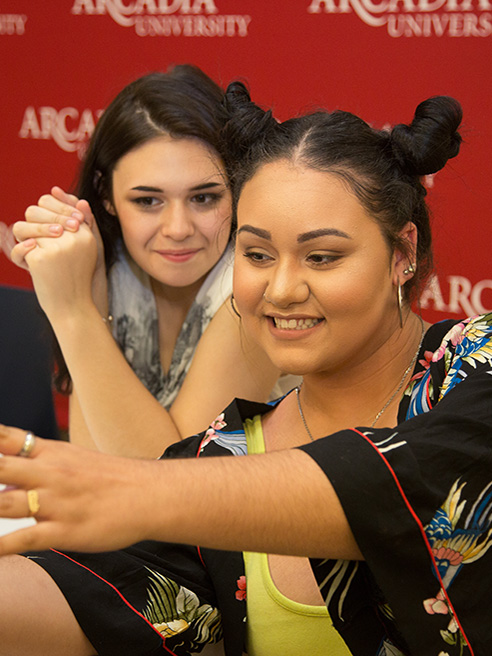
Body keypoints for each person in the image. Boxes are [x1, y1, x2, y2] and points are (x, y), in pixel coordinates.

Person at [1, 87, 491, 656]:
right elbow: (96, 599)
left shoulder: (475, 368)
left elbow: (411, 484)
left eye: (322, 257)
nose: (280, 290)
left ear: (402, 253)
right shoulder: (222, 454)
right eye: (256, 255)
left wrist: (133, 489)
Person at [10, 66, 281, 457]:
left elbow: (173, 475)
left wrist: (74, 310)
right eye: (147, 201)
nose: (177, 228)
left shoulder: (259, 283)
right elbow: (93, 460)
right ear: (105, 194)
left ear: (238, 187)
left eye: (204, 198)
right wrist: (91, 294)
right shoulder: (106, 263)